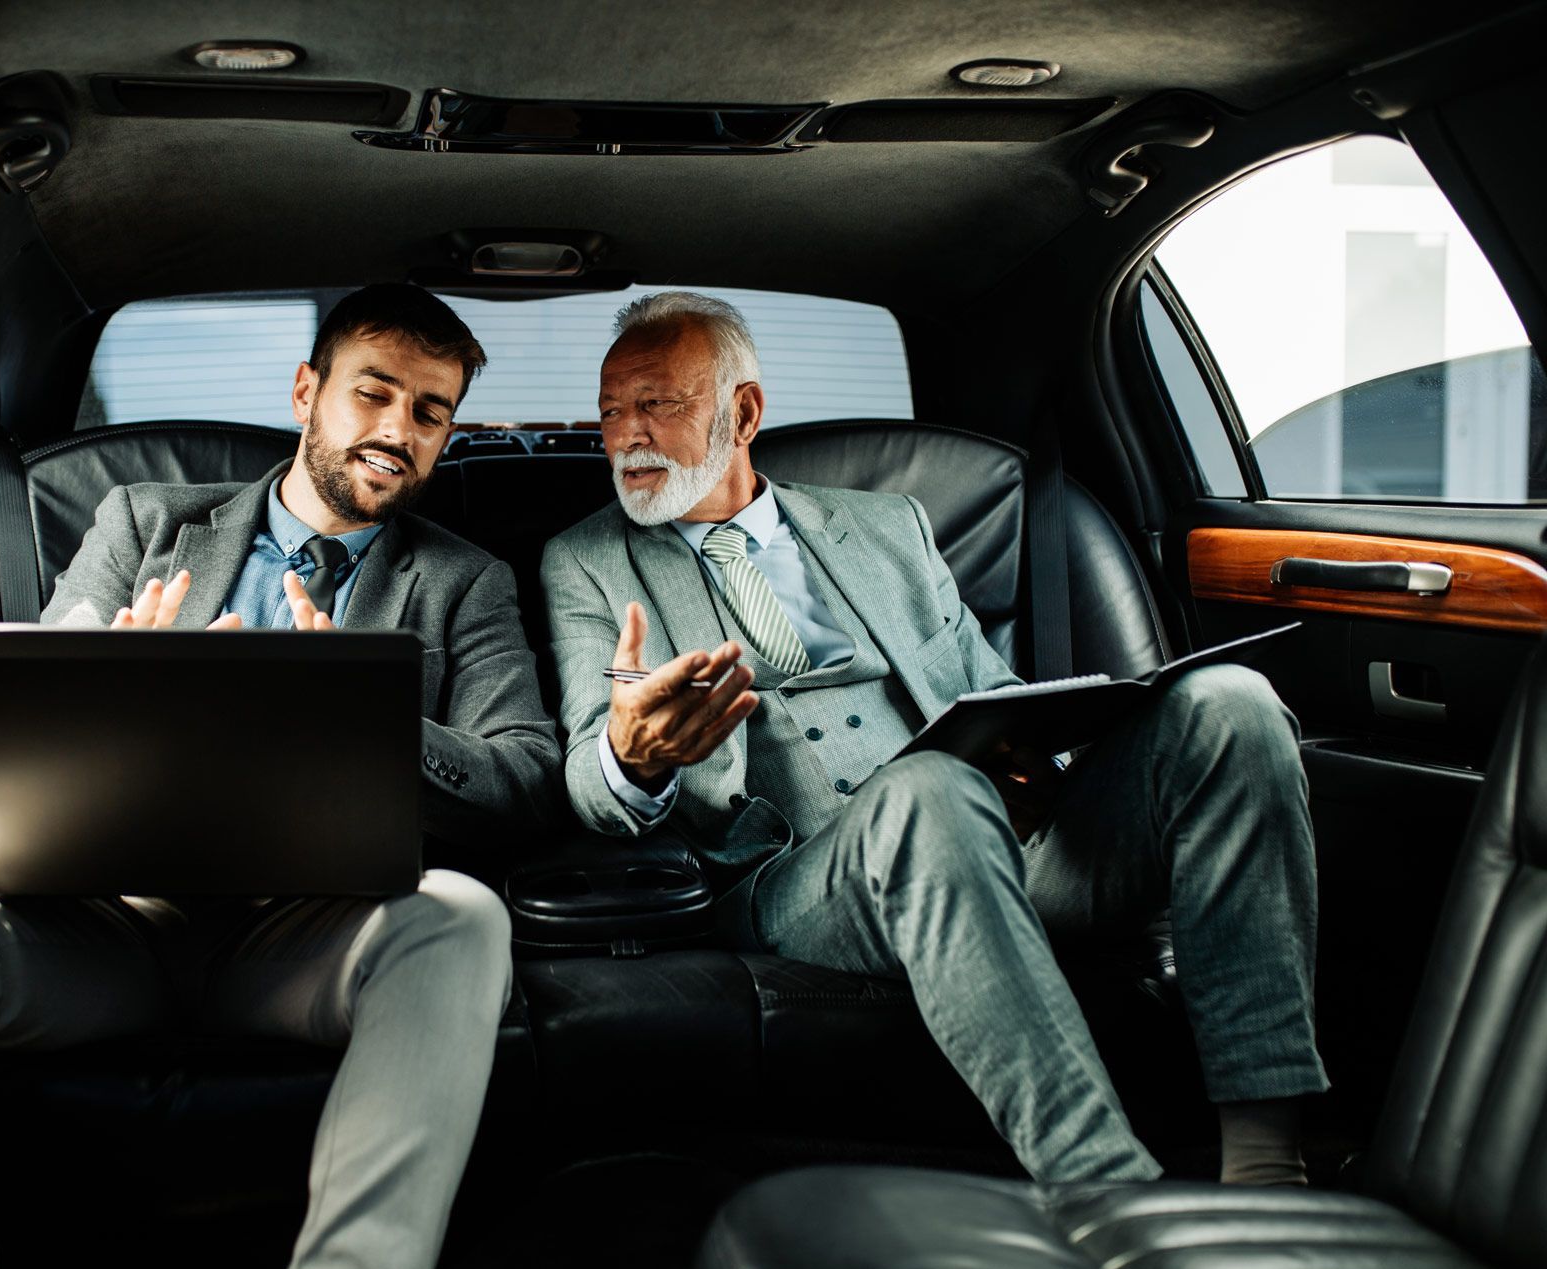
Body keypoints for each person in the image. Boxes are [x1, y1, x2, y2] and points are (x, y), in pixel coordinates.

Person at [0, 284, 559, 1269]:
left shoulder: (466, 579)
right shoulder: (143, 522)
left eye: (430, 412)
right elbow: (23, 727)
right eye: (373, 395)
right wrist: (108, 684)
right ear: (306, 392)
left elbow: (524, 776)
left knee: (463, 918)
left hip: (303, 938)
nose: (399, 430)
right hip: (101, 927)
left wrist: (363, 718)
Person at [541, 291, 1327, 1185]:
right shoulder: (586, 561)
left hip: (1000, 838)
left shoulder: (889, 526)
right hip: (800, 882)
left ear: (744, 411)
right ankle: (1107, 1190)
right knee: (929, 791)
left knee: (1233, 703)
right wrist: (634, 757)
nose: (625, 436)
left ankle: (1268, 1164)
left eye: (657, 405)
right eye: (611, 411)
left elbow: (993, 696)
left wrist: (1049, 755)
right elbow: (587, 769)